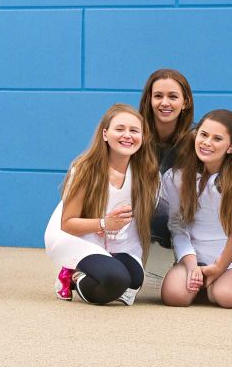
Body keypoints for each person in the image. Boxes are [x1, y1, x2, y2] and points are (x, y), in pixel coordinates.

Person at [45, 104, 161, 305]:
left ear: (143, 137)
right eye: (120, 129)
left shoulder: (148, 175)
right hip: (78, 235)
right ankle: (71, 276)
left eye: (134, 130)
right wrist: (104, 223)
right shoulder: (86, 170)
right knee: (116, 280)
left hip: (116, 238)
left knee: (134, 279)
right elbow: (67, 223)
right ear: (105, 134)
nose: (127, 135)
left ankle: (96, 269)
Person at [159, 110, 232, 308]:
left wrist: (219, 268)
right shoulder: (176, 177)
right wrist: (191, 264)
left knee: (226, 297)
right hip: (195, 250)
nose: (207, 142)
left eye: (217, 139)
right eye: (204, 135)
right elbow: (177, 226)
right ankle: (200, 280)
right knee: (175, 296)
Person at [139, 68, 193, 252]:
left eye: (173, 96)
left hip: (181, 233)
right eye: (158, 96)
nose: (164, 103)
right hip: (136, 230)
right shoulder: (133, 135)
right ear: (149, 100)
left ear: (185, 102)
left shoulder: (197, 140)